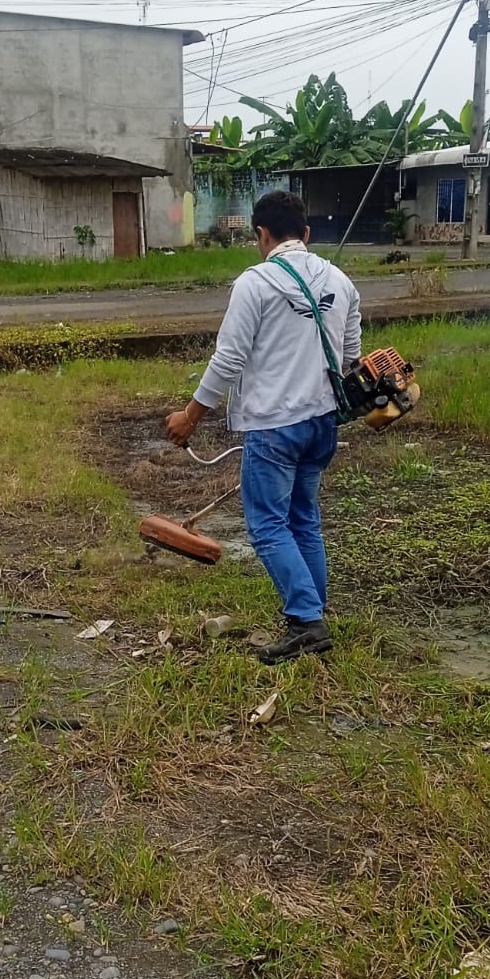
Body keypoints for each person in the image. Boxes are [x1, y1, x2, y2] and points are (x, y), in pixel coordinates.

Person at [165, 190, 361, 665]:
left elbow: (228, 359)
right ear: (306, 233)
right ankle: (312, 612)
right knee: (303, 518)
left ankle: (307, 622)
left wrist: (189, 417)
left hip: (275, 427)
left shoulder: (254, 283)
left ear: (262, 234)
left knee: (269, 525)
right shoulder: (341, 281)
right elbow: (351, 355)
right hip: (322, 423)